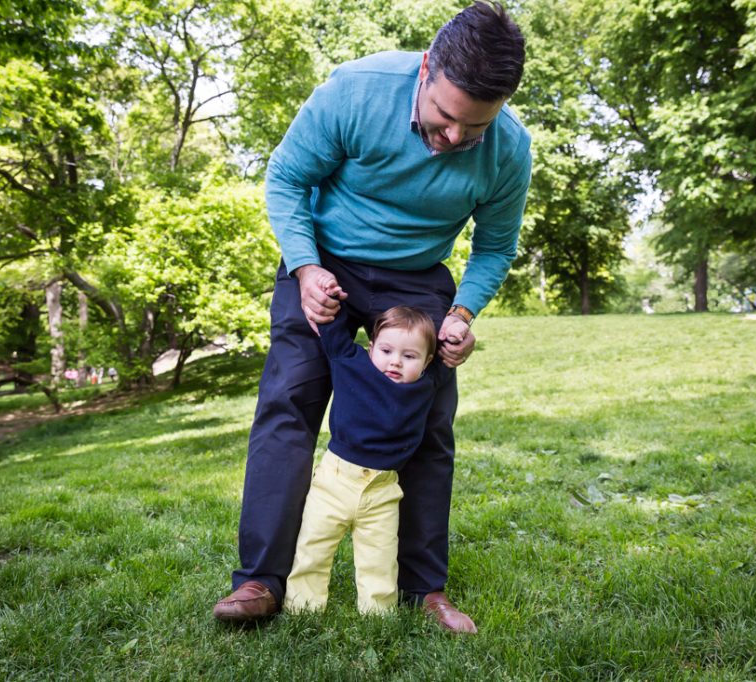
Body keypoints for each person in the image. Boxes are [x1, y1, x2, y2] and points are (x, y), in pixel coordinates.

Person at [213, 1, 531, 634]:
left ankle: (424, 589)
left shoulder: (508, 148)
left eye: (473, 128)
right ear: (424, 71)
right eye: (443, 119)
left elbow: (495, 245)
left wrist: (462, 313)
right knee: (290, 402)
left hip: (417, 278)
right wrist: (304, 267)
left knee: (429, 424)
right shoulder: (356, 91)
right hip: (325, 260)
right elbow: (285, 176)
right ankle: (260, 580)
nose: (452, 141)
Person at [285, 274, 455, 616]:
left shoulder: (425, 384)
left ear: (425, 363)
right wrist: (330, 295)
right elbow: (330, 328)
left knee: (379, 555)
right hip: (334, 480)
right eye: (387, 350)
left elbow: (447, 356)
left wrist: (457, 332)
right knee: (313, 548)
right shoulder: (352, 363)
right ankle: (302, 608)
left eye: (409, 356)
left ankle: (378, 615)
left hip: (382, 489)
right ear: (371, 348)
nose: (395, 361)